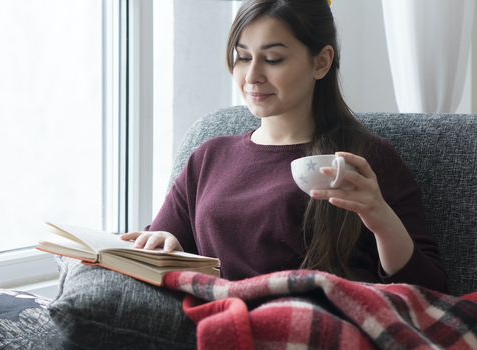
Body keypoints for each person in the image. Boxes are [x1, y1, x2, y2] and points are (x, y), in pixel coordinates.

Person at [121, 0, 449, 293]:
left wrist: (378, 216)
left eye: (273, 59)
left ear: (321, 62)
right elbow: (155, 249)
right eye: (243, 57)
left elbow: (430, 288)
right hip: (215, 317)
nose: (252, 76)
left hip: (319, 325)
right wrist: (164, 244)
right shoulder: (209, 157)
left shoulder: (363, 158)